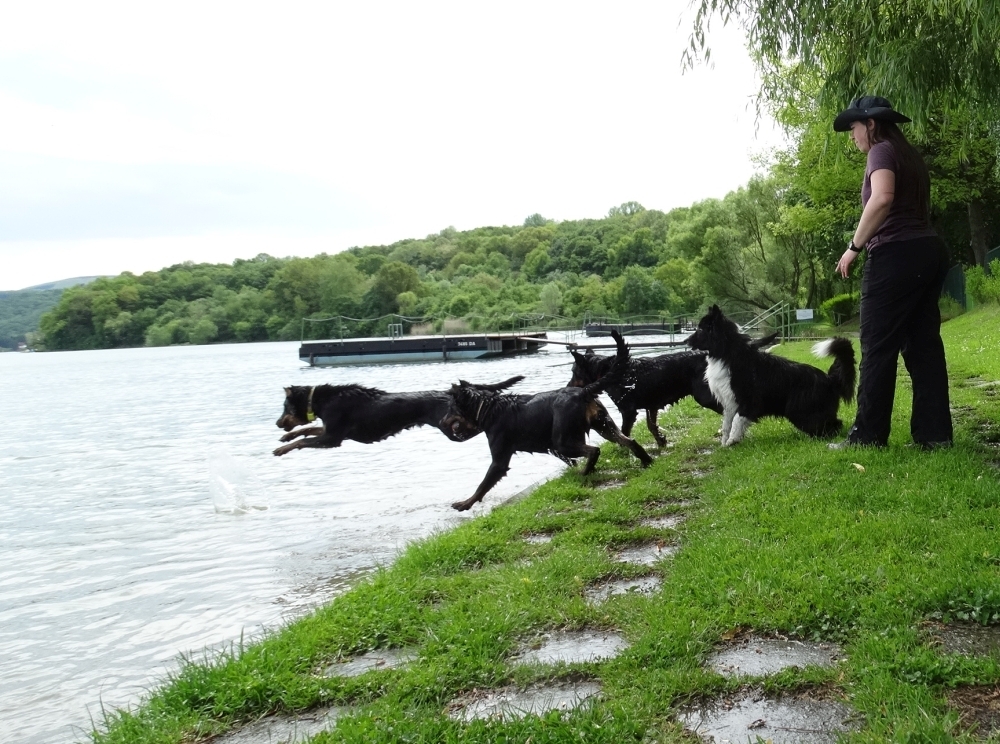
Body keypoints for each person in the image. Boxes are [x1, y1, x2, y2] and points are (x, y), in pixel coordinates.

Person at [830, 96, 953, 450]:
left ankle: (867, 437)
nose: (852, 135)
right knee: (924, 346)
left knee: (878, 346)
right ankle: (935, 436)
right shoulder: (910, 155)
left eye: (854, 127)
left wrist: (854, 247)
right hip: (928, 252)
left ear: (871, 124)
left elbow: (882, 198)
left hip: (896, 255)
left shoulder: (881, 151)